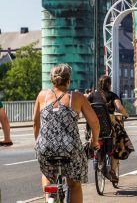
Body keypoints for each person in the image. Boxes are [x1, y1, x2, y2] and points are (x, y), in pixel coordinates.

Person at [34, 64, 100, 203]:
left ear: (52, 80)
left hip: (46, 148)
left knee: (47, 174)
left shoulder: (42, 96)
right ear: (68, 80)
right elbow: (94, 123)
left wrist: (39, 144)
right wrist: (94, 141)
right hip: (70, 149)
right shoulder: (77, 97)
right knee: (74, 184)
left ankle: (49, 198)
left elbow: (36, 124)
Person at [87, 75, 130, 183]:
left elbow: (86, 108)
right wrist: (126, 114)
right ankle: (112, 170)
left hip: (94, 125)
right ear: (109, 85)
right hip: (108, 126)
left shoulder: (92, 95)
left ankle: (97, 157)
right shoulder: (112, 95)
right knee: (119, 142)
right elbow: (119, 108)